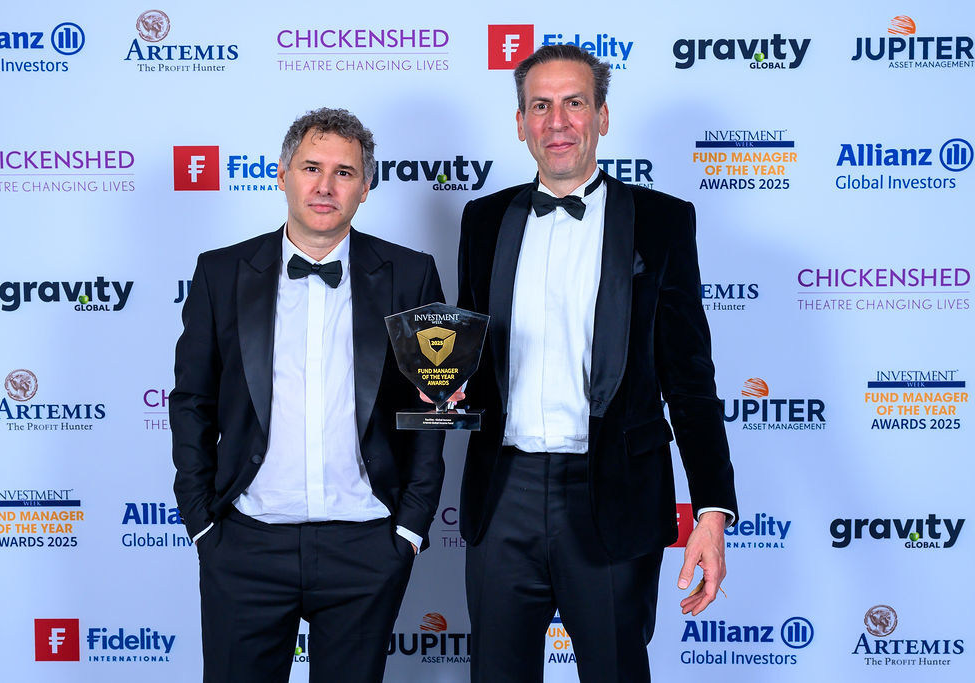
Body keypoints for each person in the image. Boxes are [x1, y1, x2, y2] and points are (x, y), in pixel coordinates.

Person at [455, 45, 738, 682]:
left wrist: (712, 510)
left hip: (612, 492)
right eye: (540, 106)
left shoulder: (662, 222)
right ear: (521, 122)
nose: (557, 122)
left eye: (574, 103)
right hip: (502, 493)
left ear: (602, 117)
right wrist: (443, 394)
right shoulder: (483, 220)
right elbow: (468, 357)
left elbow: (690, 379)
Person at [170, 107, 446, 683]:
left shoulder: (410, 274)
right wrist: (202, 522)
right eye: (311, 168)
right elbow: (192, 401)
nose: (325, 186)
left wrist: (410, 527)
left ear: (365, 187)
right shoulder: (221, 273)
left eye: (344, 172)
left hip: (367, 544)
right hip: (245, 544)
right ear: (282, 174)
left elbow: (431, 407)